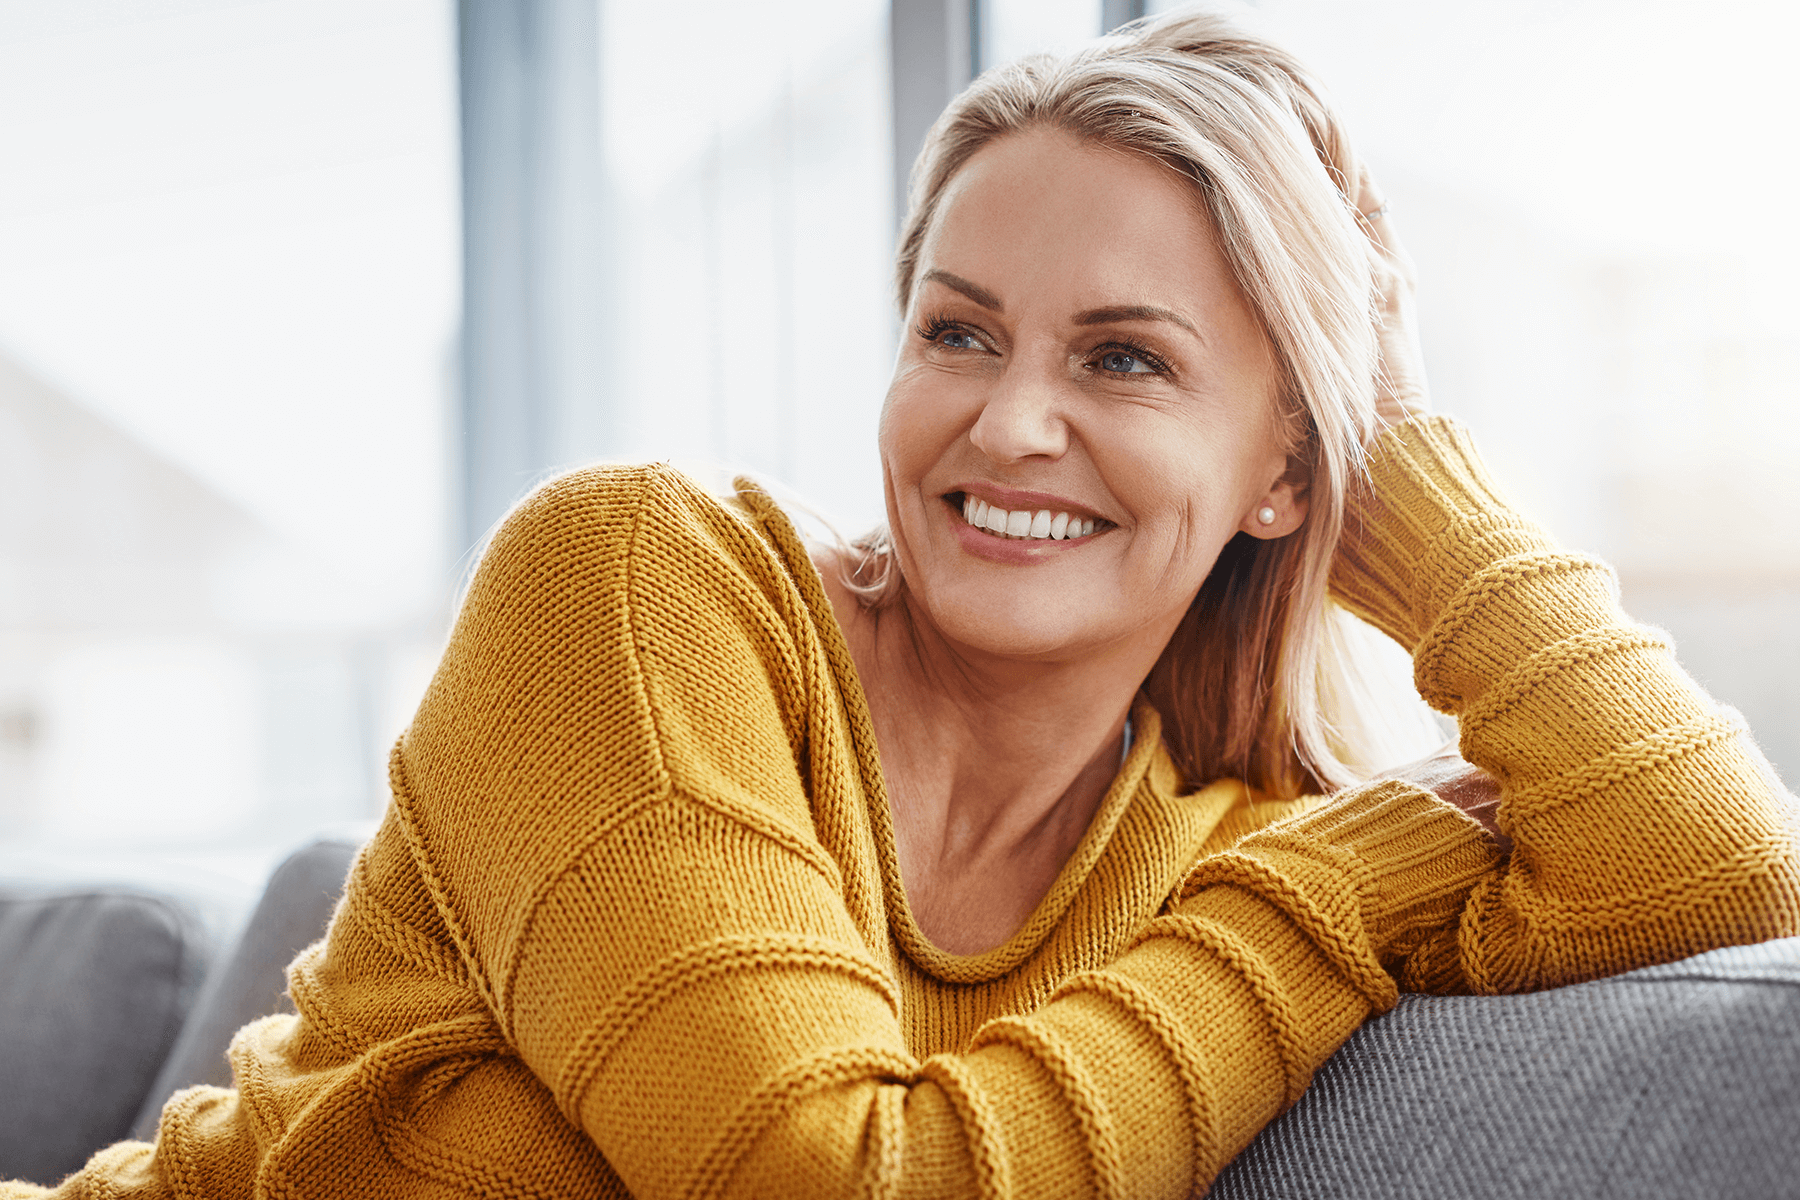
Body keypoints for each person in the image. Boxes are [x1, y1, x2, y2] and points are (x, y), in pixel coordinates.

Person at [11, 8, 1797, 1199]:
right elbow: (826, 1179)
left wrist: (1394, 463)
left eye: (1125, 357)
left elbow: (1713, 861)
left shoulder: (1219, 849)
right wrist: (1305, 911)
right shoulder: (639, 587)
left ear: (1282, 475)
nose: (1008, 420)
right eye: (957, 331)